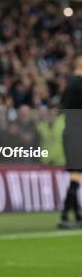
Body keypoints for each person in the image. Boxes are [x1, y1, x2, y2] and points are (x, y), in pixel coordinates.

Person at [58, 55, 82, 229]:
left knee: (77, 172)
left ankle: (77, 215)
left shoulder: (69, 85)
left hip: (70, 131)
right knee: (77, 173)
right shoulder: (78, 84)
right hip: (77, 132)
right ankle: (65, 214)